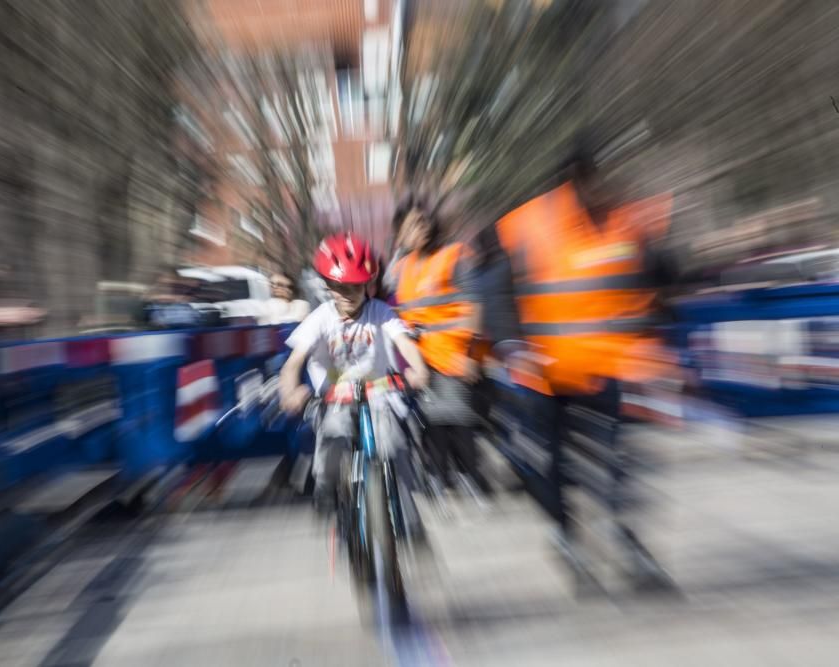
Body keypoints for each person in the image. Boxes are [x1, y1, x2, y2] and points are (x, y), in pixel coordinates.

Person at [493, 136, 678, 591]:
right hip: (543, 376)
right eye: (602, 178)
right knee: (551, 466)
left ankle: (624, 541)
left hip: (602, 369)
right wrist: (511, 342)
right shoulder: (527, 224)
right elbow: (495, 290)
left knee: (613, 461)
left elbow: (654, 274)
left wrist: (658, 311)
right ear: (578, 178)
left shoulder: (622, 220)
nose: (610, 188)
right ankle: (566, 534)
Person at [279, 232, 430, 518]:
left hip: (379, 392)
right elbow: (293, 362)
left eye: (356, 287)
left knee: (394, 444)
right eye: (340, 287)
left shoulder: (380, 312)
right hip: (334, 396)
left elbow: (404, 343)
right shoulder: (321, 317)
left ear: (368, 284)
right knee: (333, 436)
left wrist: (418, 368)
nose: (348, 294)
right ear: (327, 286)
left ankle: (409, 515)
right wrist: (291, 389)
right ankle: (326, 489)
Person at [388, 193, 493, 494]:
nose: (418, 229)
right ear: (400, 234)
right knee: (430, 422)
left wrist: (472, 353)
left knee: (458, 419)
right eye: (410, 226)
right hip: (418, 359)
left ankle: (471, 476)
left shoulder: (454, 255)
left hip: (453, 356)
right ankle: (439, 475)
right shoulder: (400, 269)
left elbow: (474, 306)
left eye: (422, 222)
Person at [138, 268, 202, 329]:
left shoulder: (185, 308)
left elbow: (195, 327)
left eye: (172, 284)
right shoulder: (151, 306)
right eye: (163, 284)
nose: (168, 288)